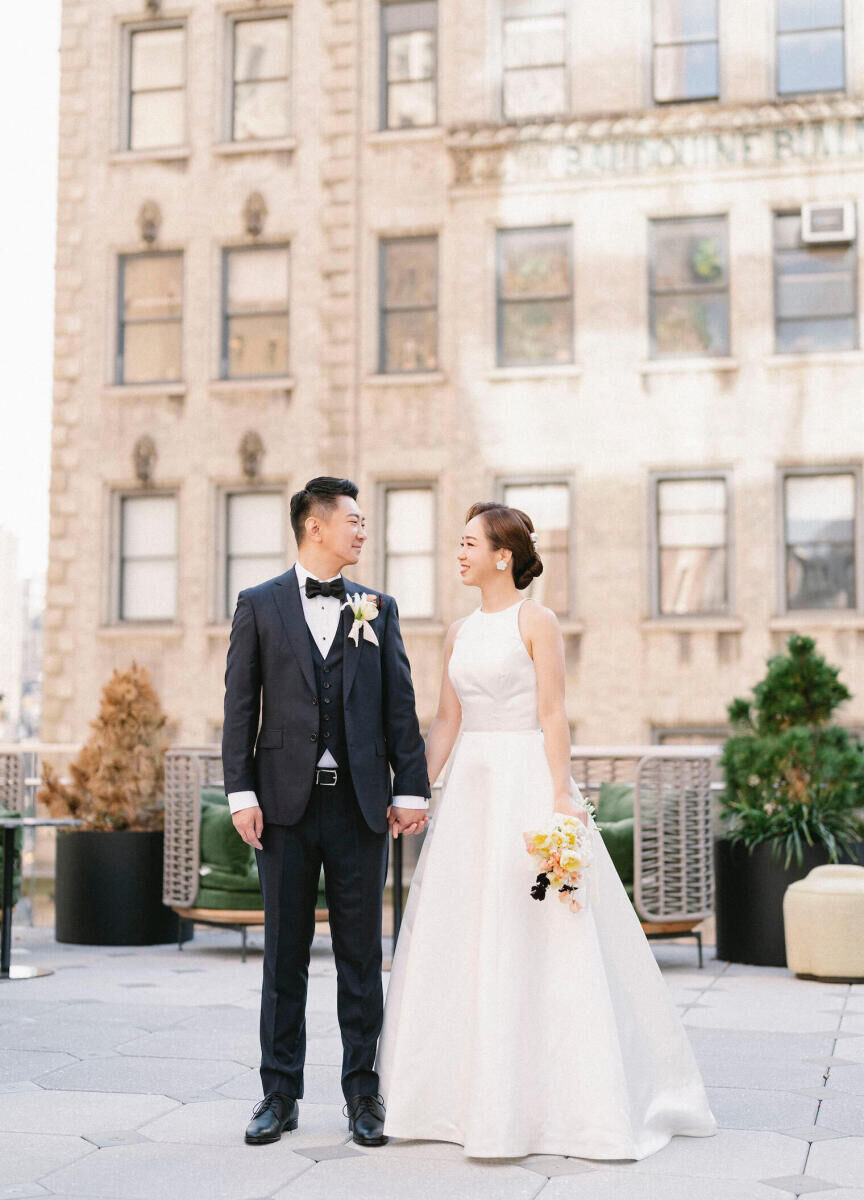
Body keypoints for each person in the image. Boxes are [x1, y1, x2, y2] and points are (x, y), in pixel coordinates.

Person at [376, 501, 717, 1159]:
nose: (460, 552)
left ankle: (551, 1105)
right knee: (465, 930)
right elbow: (445, 720)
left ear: (503, 555)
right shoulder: (457, 631)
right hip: (471, 785)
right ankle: (449, 1101)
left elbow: (555, 712)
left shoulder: (539, 622)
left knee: (537, 926)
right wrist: (414, 789)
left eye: (469, 542)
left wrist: (560, 795)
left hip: (524, 780)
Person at [222, 476, 430, 1147]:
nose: (362, 531)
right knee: (283, 957)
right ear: (316, 526)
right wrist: (241, 792)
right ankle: (277, 1096)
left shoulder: (379, 608)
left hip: (360, 807)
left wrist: (411, 787)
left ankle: (363, 1094)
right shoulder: (258, 605)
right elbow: (239, 709)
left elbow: (400, 705)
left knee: (360, 957)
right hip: (281, 807)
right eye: (354, 520)